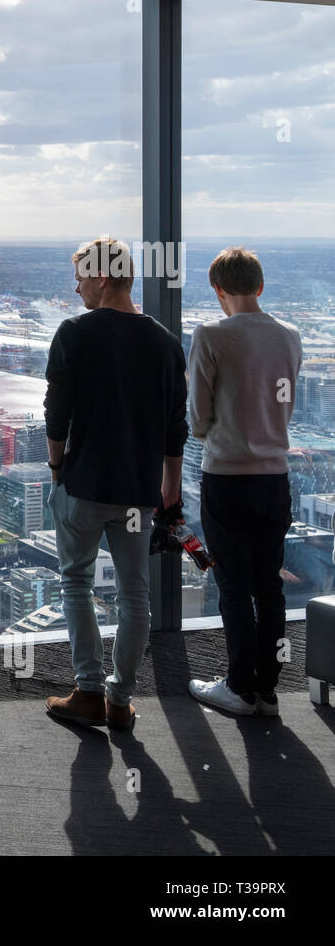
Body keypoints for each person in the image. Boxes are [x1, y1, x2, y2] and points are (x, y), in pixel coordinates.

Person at [43, 236, 187, 730]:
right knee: (135, 595)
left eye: (81, 276)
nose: (77, 286)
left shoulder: (74, 334)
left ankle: (87, 691)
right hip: (135, 496)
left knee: (77, 583)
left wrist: (57, 469)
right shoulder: (167, 343)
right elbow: (175, 429)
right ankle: (120, 701)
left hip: (83, 484)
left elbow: (57, 412)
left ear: (102, 278)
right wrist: (170, 490)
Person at [187, 247, 302, 717]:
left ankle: (238, 688)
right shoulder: (291, 336)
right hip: (275, 476)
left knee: (233, 586)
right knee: (268, 586)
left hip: (227, 477)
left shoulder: (210, 335)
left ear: (218, 290)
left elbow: (197, 418)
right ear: (259, 286)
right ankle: (268, 692)